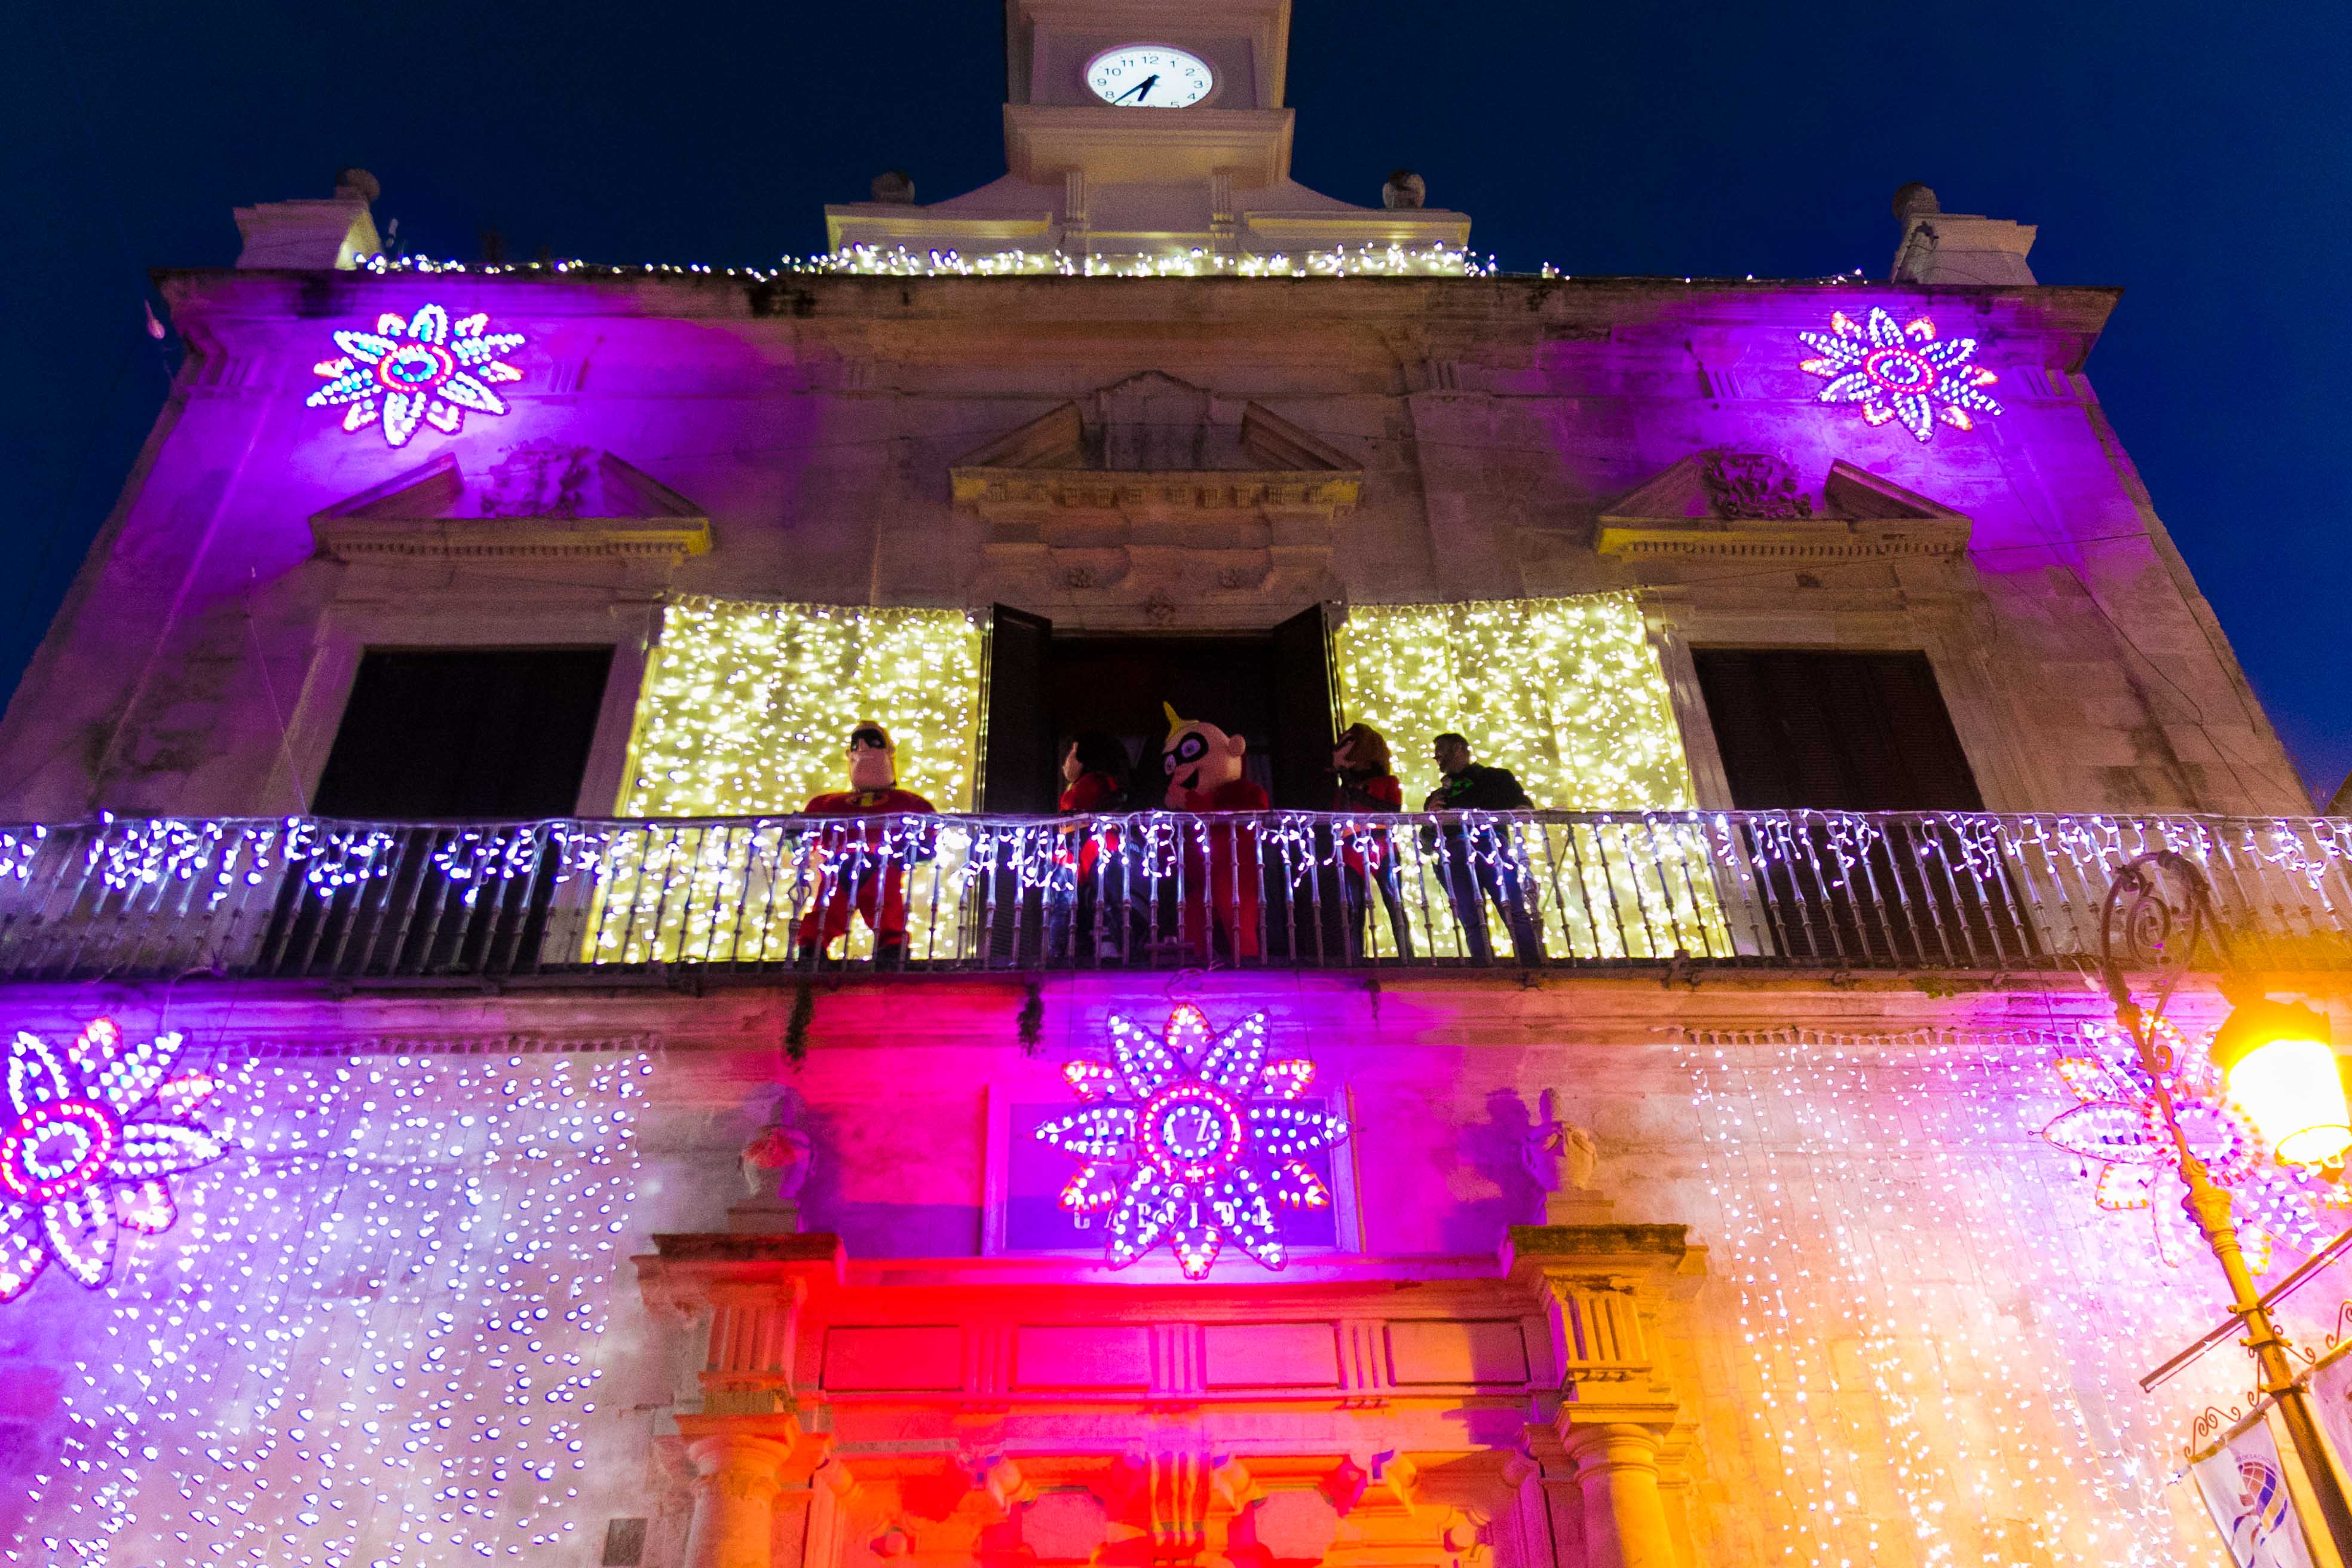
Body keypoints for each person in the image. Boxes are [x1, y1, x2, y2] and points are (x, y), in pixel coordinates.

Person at [794, 721, 936, 967]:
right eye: (857, 745)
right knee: (829, 904)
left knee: (886, 903)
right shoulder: (827, 803)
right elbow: (805, 835)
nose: (862, 749)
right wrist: (797, 837)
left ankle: (892, 946)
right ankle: (813, 945)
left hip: (883, 862)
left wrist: (912, 851)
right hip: (840, 863)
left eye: (872, 743)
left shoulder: (909, 802)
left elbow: (928, 837)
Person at [1422, 731, 1544, 966]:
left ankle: (1531, 964)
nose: (1437, 757)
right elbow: (1427, 845)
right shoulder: (1437, 795)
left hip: (1491, 846)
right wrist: (1430, 819)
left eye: (1442, 750)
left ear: (1459, 748)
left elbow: (1523, 807)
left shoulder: (1495, 778)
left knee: (1512, 909)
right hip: (1453, 854)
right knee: (1470, 917)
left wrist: (1515, 812)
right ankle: (1483, 965)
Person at [1159, 703, 1268, 961]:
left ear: (1235, 748)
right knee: (1192, 917)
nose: (1178, 768)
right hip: (1203, 877)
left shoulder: (1246, 791)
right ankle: (1197, 967)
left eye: (1190, 750)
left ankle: (1248, 969)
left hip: (1236, 873)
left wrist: (1191, 802)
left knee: (1238, 921)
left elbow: (1253, 811)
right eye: (1172, 761)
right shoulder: (1193, 800)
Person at [1329, 722, 1412, 960]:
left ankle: (1407, 956)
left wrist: (1360, 795)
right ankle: (1355, 959)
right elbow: (1340, 817)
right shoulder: (1344, 791)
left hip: (1383, 845)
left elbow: (1393, 809)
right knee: (1354, 909)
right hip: (1351, 849)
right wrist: (1348, 789)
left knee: (1393, 901)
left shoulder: (1388, 782)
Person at [1051, 731, 1130, 960]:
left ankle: (1122, 949)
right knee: (1063, 902)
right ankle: (1060, 950)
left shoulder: (1102, 782)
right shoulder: (1079, 784)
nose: (1068, 760)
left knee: (1109, 899)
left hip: (1096, 844)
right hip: (1071, 846)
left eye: (1074, 753)